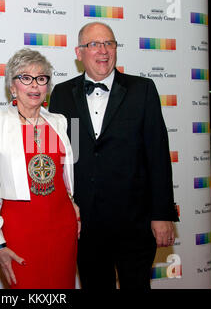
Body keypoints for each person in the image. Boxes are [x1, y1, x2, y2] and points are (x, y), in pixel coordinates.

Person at [49, 22, 179, 290]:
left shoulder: (142, 89)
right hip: (85, 225)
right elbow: (64, 156)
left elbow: (157, 154)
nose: (103, 51)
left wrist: (162, 214)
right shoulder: (61, 94)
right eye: (94, 44)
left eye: (109, 43)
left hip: (135, 222)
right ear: (78, 52)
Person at [0, 48, 80, 289]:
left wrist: (72, 203)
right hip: (21, 230)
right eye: (25, 78)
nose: (34, 85)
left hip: (62, 227)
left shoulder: (59, 121)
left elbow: (64, 175)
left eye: (41, 78)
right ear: (12, 87)